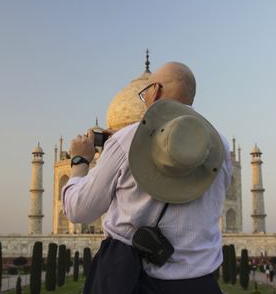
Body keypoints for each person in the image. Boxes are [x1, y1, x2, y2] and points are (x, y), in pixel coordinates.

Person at [62, 62, 232, 294]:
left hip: (132, 280)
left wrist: (80, 161)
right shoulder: (219, 145)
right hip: (200, 283)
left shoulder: (126, 140)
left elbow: (78, 210)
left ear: (155, 91)